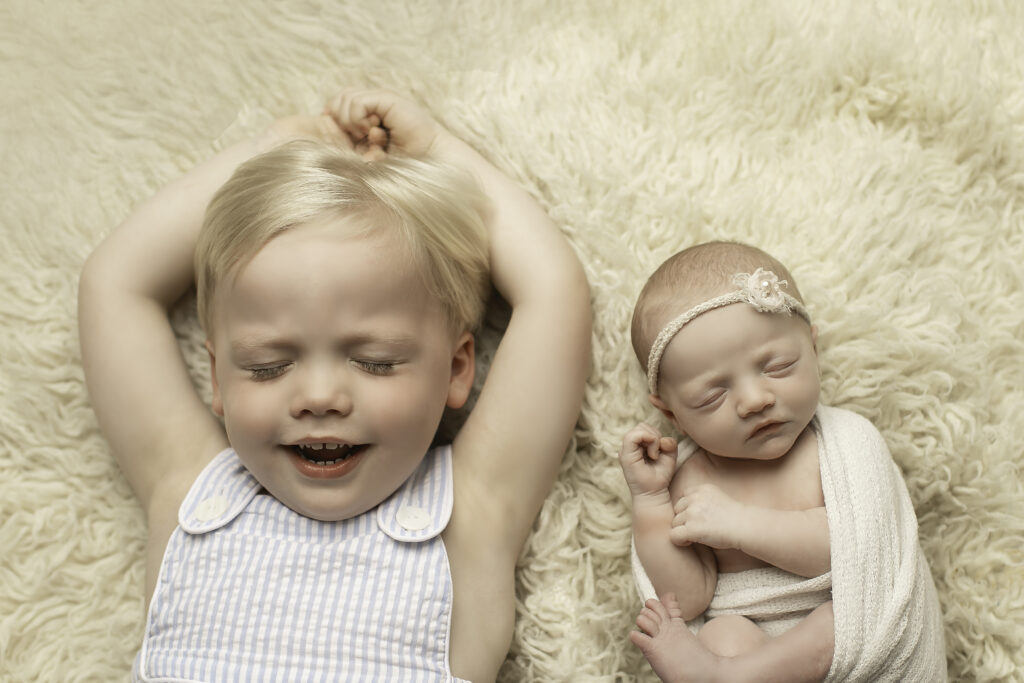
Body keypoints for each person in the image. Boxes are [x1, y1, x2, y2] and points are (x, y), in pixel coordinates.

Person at [78, 89, 591, 682]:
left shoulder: (471, 515)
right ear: (217, 377)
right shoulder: (190, 493)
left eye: (374, 361)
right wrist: (265, 154)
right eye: (268, 366)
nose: (319, 397)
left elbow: (553, 292)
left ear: (455, 369)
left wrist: (438, 153)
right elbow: (113, 284)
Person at [619, 241, 835, 682]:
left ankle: (729, 675)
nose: (755, 401)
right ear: (670, 414)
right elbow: (688, 598)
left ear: (813, 349)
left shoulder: (836, 449)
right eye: (712, 396)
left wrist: (738, 525)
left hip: (836, 638)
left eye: (777, 366)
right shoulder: (692, 480)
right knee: (723, 634)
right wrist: (651, 501)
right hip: (749, 637)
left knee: (843, 617)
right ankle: (723, 670)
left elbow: (851, 552)